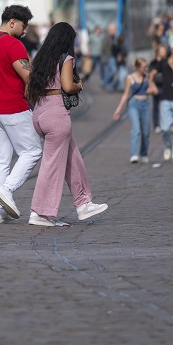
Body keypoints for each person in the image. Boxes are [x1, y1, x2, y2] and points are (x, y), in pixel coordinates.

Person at [24, 22, 108, 226]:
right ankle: (39, 212)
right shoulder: (66, 58)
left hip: (40, 112)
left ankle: (83, 204)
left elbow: (28, 91)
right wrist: (80, 84)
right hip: (56, 114)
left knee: (73, 159)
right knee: (51, 166)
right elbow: (68, 86)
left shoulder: (39, 59)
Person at [0, 5, 42, 224]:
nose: (24, 31)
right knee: (32, 151)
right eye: (23, 26)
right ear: (12, 22)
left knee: (0, 160)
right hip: (12, 106)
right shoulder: (14, 45)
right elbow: (28, 77)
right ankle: (6, 190)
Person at [112, 57, 151, 163]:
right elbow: (125, 95)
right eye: (144, 67)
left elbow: (152, 88)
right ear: (138, 67)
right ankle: (134, 154)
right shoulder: (130, 78)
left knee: (146, 131)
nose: (146, 69)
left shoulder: (147, 77)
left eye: (146, 66)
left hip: (146, 104)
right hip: (134, 104)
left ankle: (143, 153)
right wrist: (118, 110)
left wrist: (152, 90)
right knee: (136, 129)